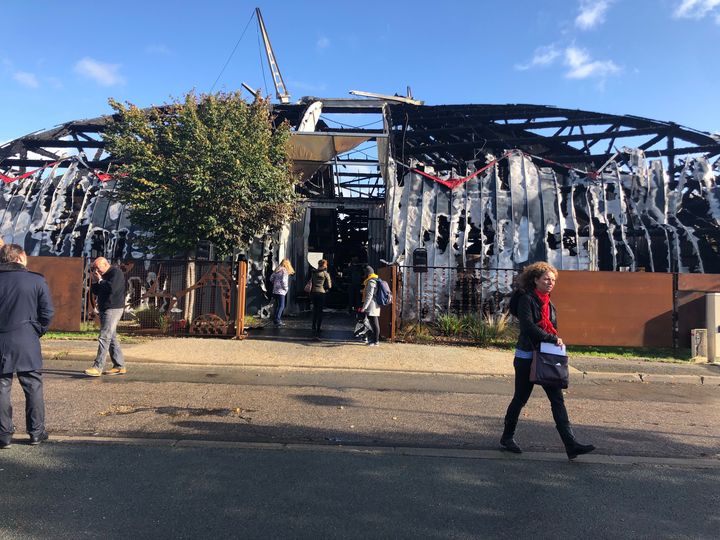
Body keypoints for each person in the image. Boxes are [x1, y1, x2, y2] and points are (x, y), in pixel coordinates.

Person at [500, 261, 595, 460]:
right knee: (521, 398)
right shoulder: (527, 299)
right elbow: (527, 327)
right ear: (536, 280)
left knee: (557, 399)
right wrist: (552, 338)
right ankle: (507, 437)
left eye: (553, 279)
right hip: (527, 356)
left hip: (546, 357)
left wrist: (553, 342)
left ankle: (571, 445)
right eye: (546, 279)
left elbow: (552, 326)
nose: (550, 282)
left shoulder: (548, 303)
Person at [0, 244, 54, 448]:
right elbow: (47, 313)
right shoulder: (36, 280)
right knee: (33, 386)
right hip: (27, 339)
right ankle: (36, 433)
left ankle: (4, 435)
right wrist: (36, 331)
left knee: (1, 388)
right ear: (21, 257)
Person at [84, 257, 127, 377]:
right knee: (111, 337)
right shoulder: (101, 276)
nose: (96, 270)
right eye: (94, 268)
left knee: (104, 336)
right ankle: (119, 365)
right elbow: (97, 291)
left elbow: (112, 288)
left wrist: (101, 280)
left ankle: (98, 367)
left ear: (105, 264)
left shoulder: (116, 273)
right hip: (104, 308)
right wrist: (94, 281)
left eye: (98, 267)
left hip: (113, 308)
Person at [358, 265, 381, 346]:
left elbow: (370, 295)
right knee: (372, 323)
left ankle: (376, 341)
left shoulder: (371, 281)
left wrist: (364, 307)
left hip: (372, 305)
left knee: (374, 323)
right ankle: (374, 340)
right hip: (372, 304)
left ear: (368, 273)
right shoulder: (373, 280)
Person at [309, 259, 332, 336]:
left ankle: (313, 325)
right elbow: (329, 286)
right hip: (321, 292)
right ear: (325, 265)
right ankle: (318, 327)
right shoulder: (325, 274)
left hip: (313, 292)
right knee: (320, 310)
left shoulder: (313, 272)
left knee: (315, 309)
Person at [270, 258, 295, 326]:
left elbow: (271, 278)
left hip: (275, 290)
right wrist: (286, 288)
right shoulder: (285, 271)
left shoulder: (277, 270)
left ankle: (275, 320)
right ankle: (277, 320)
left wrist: (275, 284)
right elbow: (284, 281)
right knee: (281, 306)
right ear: (287, 264)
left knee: (277, 305)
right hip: (281, 291)